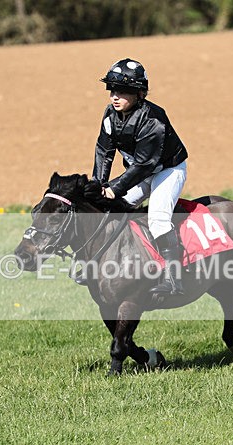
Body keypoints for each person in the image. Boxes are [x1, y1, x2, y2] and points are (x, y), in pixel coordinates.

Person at [92, 58, 188, 296]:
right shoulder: (110, 114)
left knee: (158, 218)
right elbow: (104, 151)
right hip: (139, 171)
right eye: (112, 90)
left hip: (167, 170)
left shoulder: (153, 119)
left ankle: (174, 280)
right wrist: (98, 186)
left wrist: (115, 187)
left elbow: (146, 164)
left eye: (123, 92)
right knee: (107, 210)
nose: (115, 96)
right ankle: (91, 266)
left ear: (140, 94)